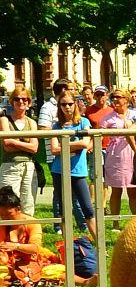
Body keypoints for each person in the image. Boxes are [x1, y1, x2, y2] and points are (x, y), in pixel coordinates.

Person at [48, 95, 96, 239]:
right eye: (63, 104)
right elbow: (54, 149)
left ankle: (100, 244)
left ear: (75, 104)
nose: (67, 107)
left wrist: (63, 145)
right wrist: (75, 146)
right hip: (59, 171)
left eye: (70, 104)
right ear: (59, 106)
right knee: (63, 209)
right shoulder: (56, 126)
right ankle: (68, 245)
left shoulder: (84, 122)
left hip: (78, 172)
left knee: (88, 208)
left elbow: (85, 143)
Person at [0, 84, 39, 215]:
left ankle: (26, 228)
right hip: (10, 167)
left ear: (29, 101)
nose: (21, 101)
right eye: (17, 99)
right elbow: (6, 146)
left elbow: (34, 148)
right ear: (12, 101)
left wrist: (13, 141)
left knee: (28, 206)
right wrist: (25, 144)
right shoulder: (4, 120)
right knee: (8, 206)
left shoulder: (32, 122)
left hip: (29, 167)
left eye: (24, 99)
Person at [101, 90, 136, 220]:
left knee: (133, 191)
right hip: (115, 156)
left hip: (132, 154)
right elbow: (99, 133)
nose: (115, 99)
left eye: (118, 97)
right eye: (113, 97)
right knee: (116, 191)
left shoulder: (135, 115)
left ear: (126, 99)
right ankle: (115, 223)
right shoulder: (108, 117)